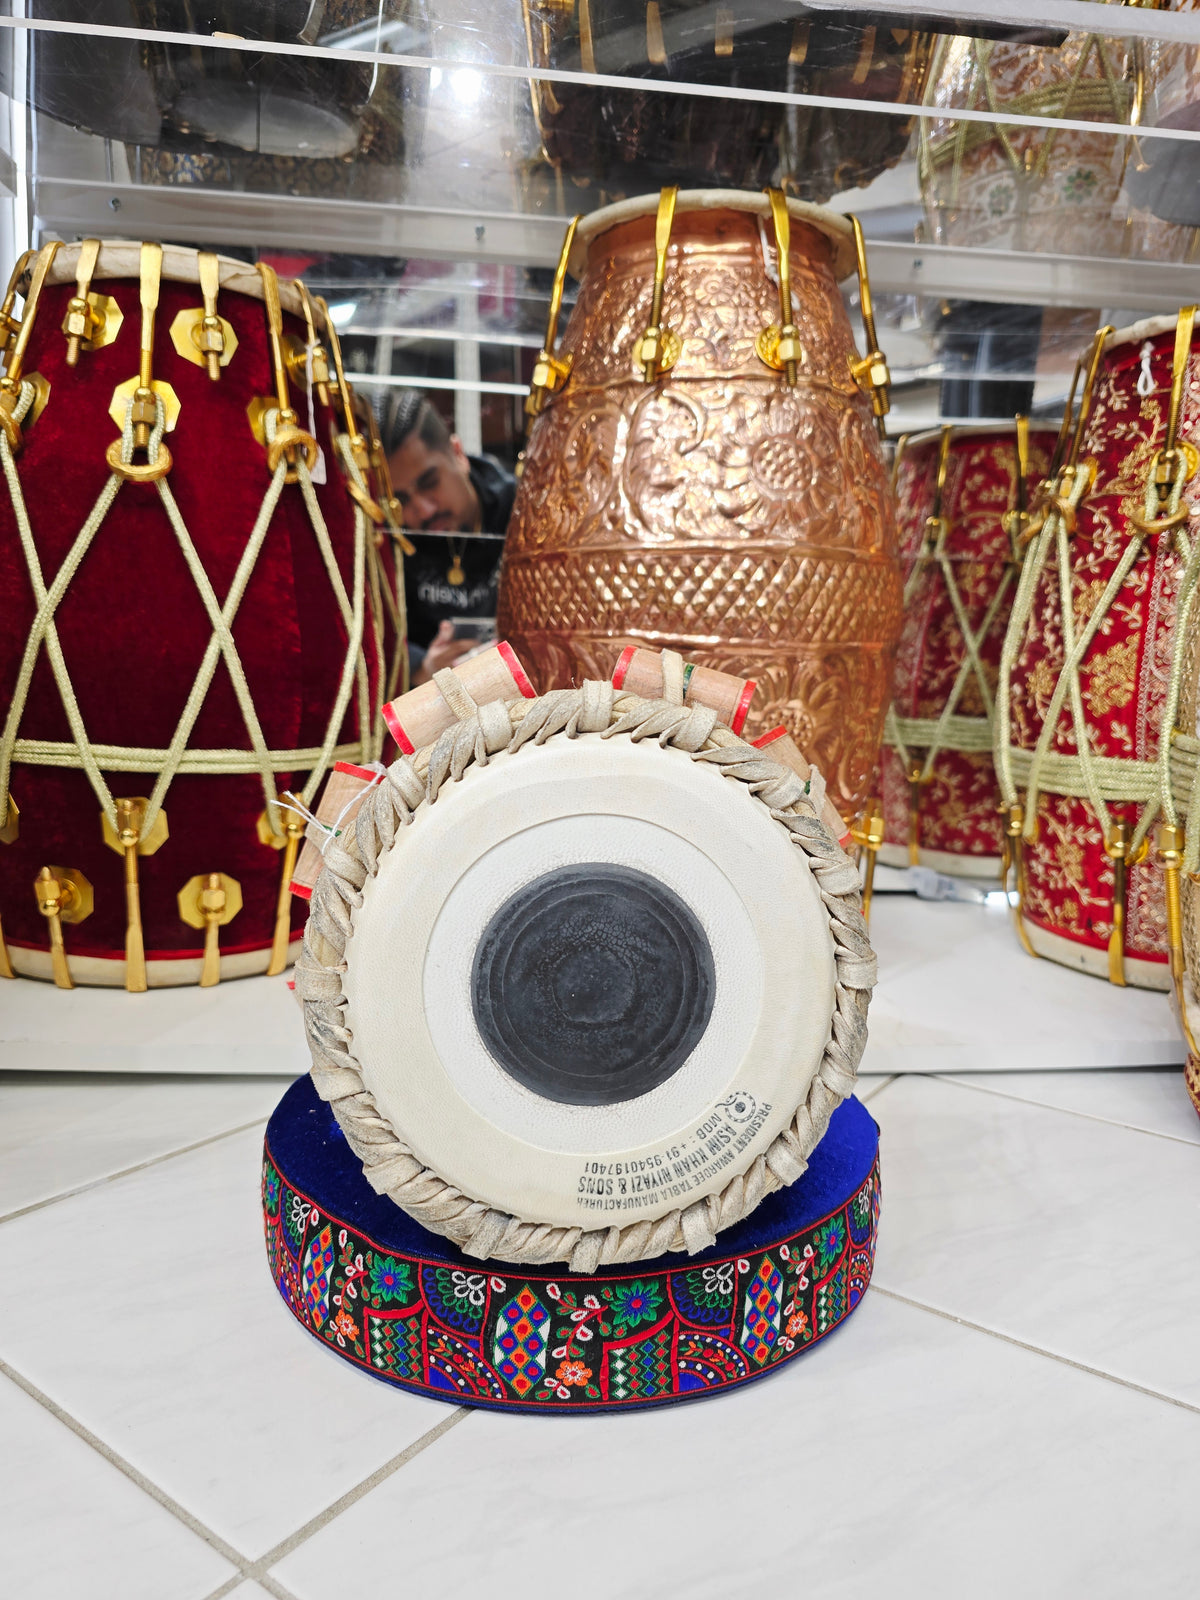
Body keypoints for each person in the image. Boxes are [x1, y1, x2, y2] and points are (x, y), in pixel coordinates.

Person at [381, 389, 517, 683]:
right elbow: (380, 633)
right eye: (401, 499)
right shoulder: (387, 536)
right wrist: (421, 669)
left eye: (430, 482)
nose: (424, 509)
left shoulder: (523, 510)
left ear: (458, 453)